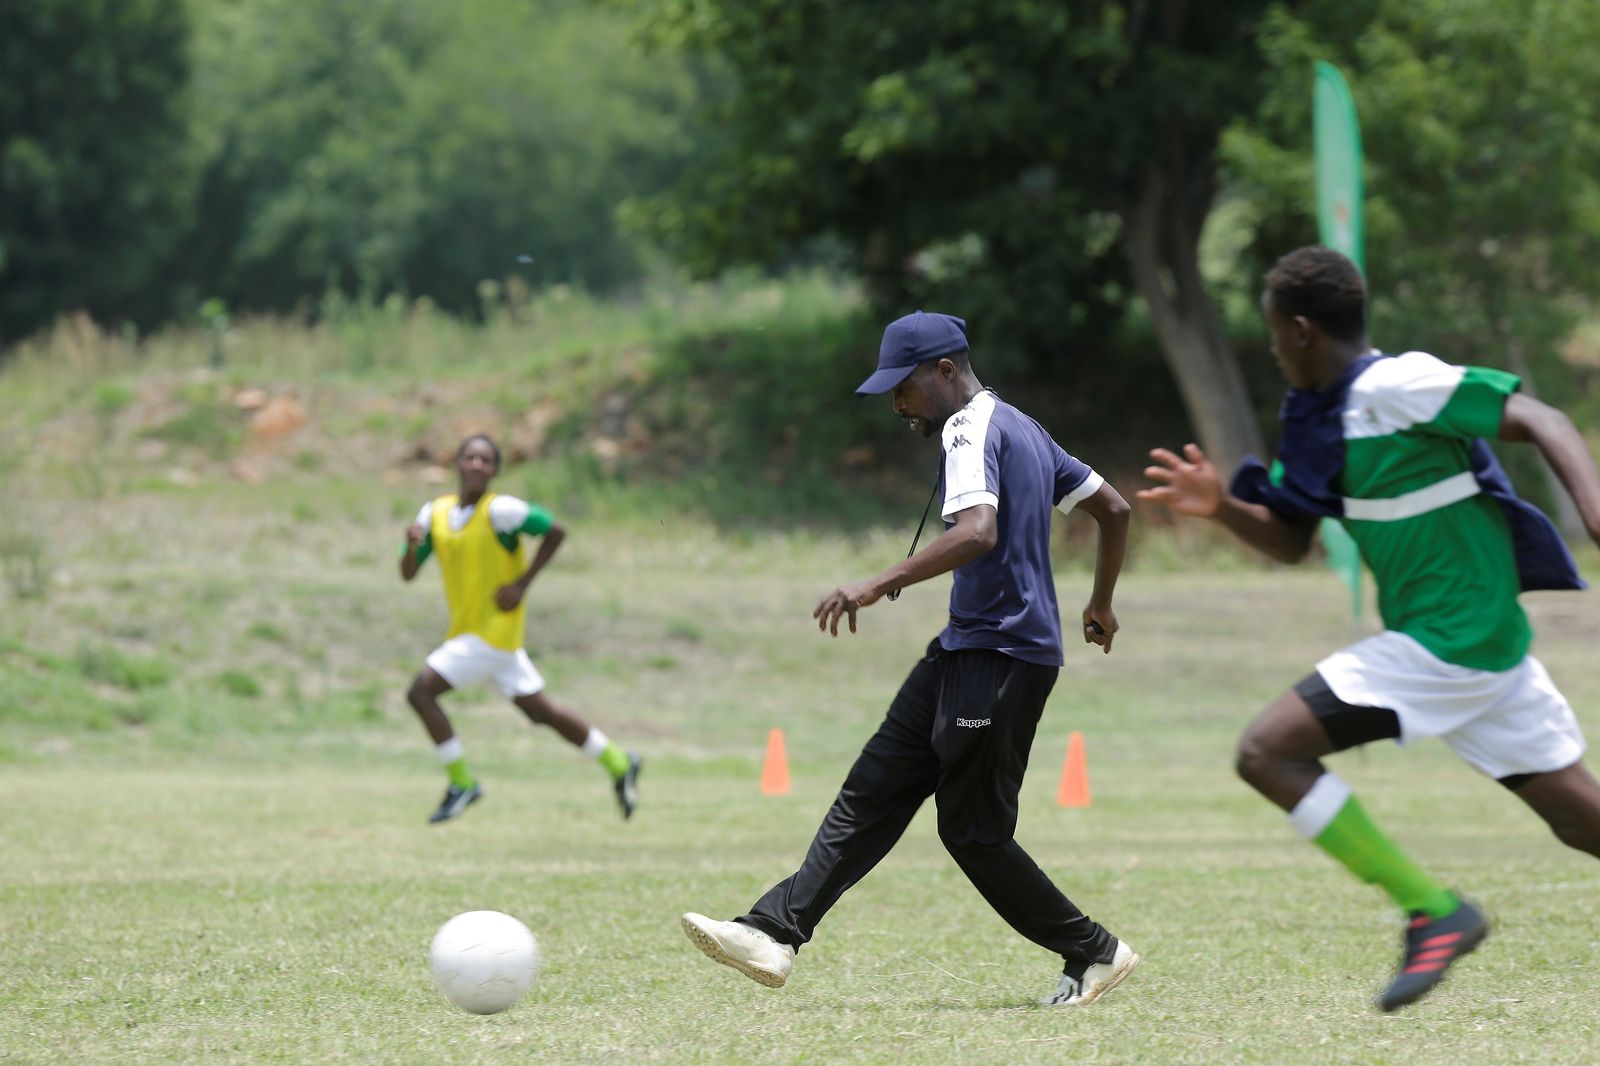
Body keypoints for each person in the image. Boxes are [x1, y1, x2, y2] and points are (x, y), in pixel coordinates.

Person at [1138, 245, 1600, 1011]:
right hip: (1479, 651)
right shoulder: (1321, 418)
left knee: (1265, 752)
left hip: (1451, 641)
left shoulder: (1398, 384)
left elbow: (1540, 415)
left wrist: (1591, 507)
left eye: (1274, 334)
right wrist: (1220, 506)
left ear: (1300, 330)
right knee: (1579, 822)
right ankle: (1436, 910)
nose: (1274, 350)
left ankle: (1434, 911)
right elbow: (1291, 541)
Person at [681, 311, 1140, 1007]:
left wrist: (879, 581)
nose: (898, 404)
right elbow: (1113, 508)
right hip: (965, 649)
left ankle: (1094, 951)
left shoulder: (966, 428)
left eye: (905, 387)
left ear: (946, 371)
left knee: (974, 831)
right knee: (874, 786)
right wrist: (1100, 601)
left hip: (1002, 656)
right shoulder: (1023, 427)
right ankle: (773, 932)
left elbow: (977, 531)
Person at [400, 434, 642, 824]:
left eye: (486, 460)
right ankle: (618, 760)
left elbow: (555, 530)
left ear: (495, 470)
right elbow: (408, 574)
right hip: (473, 632)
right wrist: (411, 547)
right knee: (539, 711)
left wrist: (522, 584)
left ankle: (462, 783)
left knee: (421, 692)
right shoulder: (434, 513)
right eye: (470, 458)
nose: (477, 465)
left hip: (492, 633)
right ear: (457, 464)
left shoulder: (502, 511)